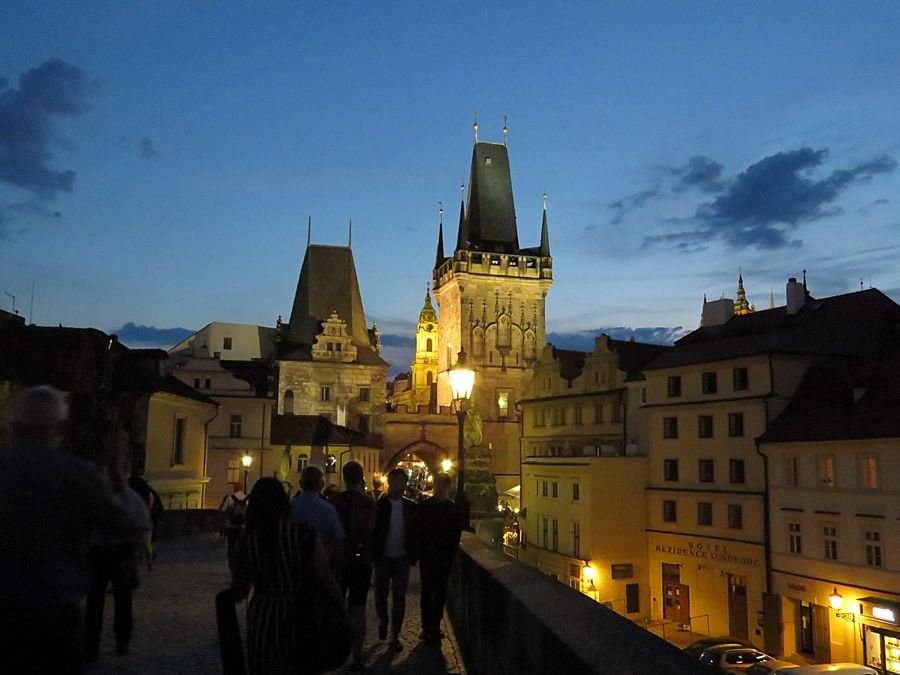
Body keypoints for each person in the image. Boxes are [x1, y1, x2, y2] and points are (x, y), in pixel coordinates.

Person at [0, 386, 147, 674]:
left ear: (15, 425)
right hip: (55, 613)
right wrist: (118, 487)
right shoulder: (78, 474)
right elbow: (127, 525)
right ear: (58, 427)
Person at [231, 477, 343, 674]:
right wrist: (339, 606)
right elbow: (324, 575)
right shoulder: (302, 534)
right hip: (299, 614)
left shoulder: (248, 539)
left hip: (262, 614)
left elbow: (240, 588)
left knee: (263, 666)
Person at [84, 458, 152, 662]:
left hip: (108, 551)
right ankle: (116, 639)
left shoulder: (101, 496)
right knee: (114, 597)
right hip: (116, 551)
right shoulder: (130, 497)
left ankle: (96, 642)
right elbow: (142, 525)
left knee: (103, 597)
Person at [329, 461, 375, 672]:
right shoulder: (368, 502)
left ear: (344, 477)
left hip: (338, 562)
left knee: (337, 607)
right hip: (362, 562)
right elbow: (373, 532)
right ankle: (357, 657)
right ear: (362, 477)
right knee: (358, 609)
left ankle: (338, 653)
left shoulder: (334, 502)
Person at [371, 468, 418, 652]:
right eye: (398, 482)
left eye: (403, 482)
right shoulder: (379, 505)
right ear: (390, 483)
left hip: (402, 559)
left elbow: (415, 531)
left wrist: (413, 554)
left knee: (400, 599)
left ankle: (395, 636)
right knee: (380, 597)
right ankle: (383, 619)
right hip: (382, 558)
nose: (401, 485)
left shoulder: (410, 507)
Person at [417, 472, 463, 642]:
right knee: (428, 591)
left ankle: (434, 625)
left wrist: (449, 555)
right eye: (437, 484)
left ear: (447, 487)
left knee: (440, 592)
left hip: (443, 557)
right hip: (428, 556)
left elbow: (455, 535)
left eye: (442, 485)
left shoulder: (452, 509)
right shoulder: (424, 506)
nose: (439, 488)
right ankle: (427, 626)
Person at [290, 465, 345, 559]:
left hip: (294, 561)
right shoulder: (328, 509)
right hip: (321, 559)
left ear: (300, 484)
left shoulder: (290, 507)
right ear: (322, 484)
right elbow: (338, 541)